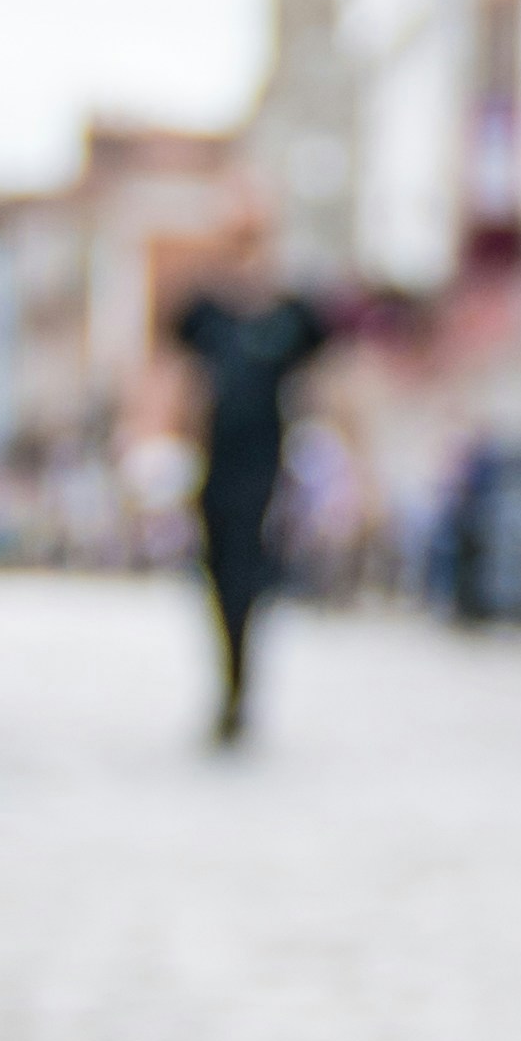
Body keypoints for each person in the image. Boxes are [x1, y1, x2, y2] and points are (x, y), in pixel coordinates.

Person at [154, 195, 334, 745]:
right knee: (219, 576)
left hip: (270, 465)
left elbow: (323, 386)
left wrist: (336, 463)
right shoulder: (204, 312)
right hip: (215, 463)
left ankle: (243, 688)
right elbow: (178, 381)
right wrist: (165, 453)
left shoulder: (292, 314)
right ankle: (229, 683)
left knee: (255, 577)